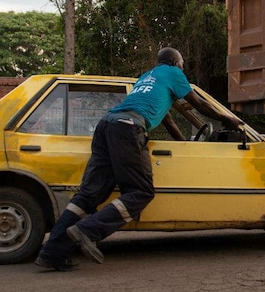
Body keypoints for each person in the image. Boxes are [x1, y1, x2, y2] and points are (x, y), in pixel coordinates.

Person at [35, 47, 240, 271]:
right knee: (141, 192)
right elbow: (200, 104)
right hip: (128, 128)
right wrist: (228, 118)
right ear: (174, 62)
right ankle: (88, 230)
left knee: (88, 195)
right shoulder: (173, 73)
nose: (183, 67)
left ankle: (51, 252)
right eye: (182, 63)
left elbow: (168, 120)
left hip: (106, 126)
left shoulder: (146, 78)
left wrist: (184, 143)